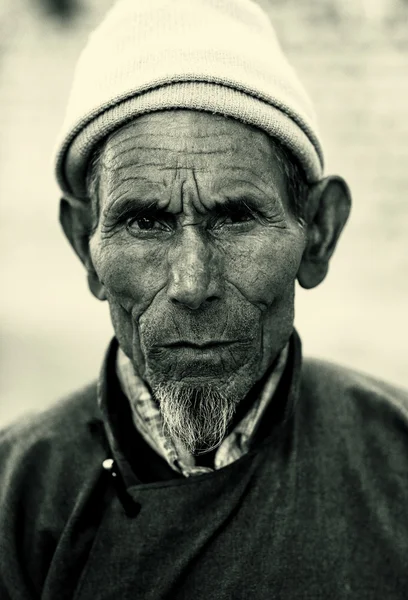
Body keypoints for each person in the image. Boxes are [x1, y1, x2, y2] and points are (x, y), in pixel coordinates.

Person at [1, 0, 407, 598]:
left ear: (318, 233)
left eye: (237, 217)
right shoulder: (17, 493)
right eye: (144, 222)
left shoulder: (396, 458)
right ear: (85, 247)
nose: (193, 284)